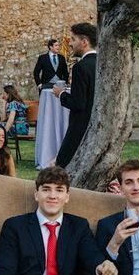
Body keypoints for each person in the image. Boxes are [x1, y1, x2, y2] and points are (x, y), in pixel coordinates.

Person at [53, 23, 97, 168]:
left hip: (81, 127)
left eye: (72, 39)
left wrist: (61, 94)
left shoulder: (81, 67)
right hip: (97, 127)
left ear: (84, 42)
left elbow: (78, 103)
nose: (70, 44)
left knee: (61, 164)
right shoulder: (102, 64)